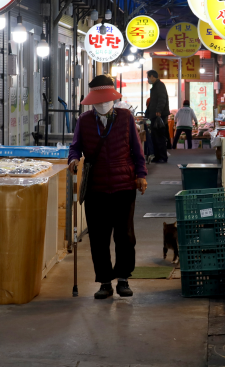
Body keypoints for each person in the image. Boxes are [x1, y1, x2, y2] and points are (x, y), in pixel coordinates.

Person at [68, 75, 148, 299]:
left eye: (106, 99)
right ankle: (104, 282)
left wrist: (141, 175)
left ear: (113, 99)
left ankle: (123, 278)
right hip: (96, 188)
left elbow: (136, 150)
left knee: (125, 236)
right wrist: (73, 160)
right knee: (99, 238)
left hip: (124, 185)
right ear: (92, 101)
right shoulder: (84, 121)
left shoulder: (125, 117)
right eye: (99, 100)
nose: (103, 104)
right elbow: (75, 148)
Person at [145, 70, 170, 163]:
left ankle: (162, 157)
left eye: (148, 77)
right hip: (154, 115)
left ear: (152, 76)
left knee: (159, 137)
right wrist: (147, 113)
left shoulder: (160, 86)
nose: (148, 79)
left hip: (159, 116)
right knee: (155, 137)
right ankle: (157, 156)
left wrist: (159, 110)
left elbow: (162, 99)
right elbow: (153, 102)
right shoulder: (155, 86)